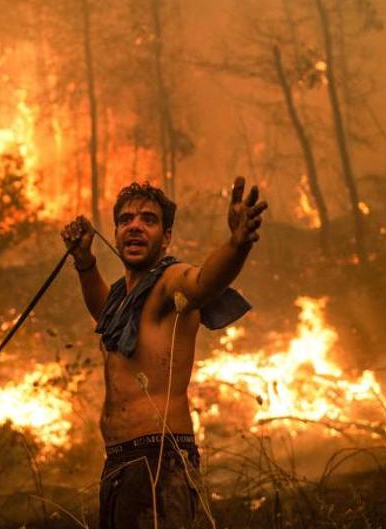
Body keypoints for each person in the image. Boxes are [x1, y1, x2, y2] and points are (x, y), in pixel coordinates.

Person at [61, 177, 267, 529]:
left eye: (148, 219)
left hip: (160, 459)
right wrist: (85, 262)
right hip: (119, 463)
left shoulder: (169, 282)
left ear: (166, 236)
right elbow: (104, 315)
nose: (135, 227)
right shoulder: (121, 300)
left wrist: (237, 244)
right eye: (126, 220)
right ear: (115, 232)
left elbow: (204, 282)